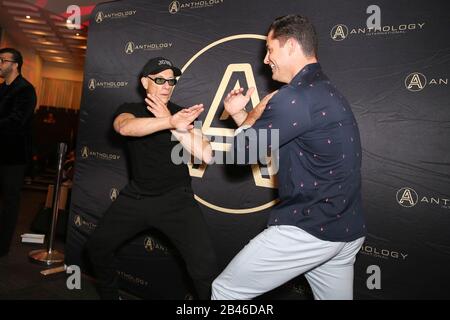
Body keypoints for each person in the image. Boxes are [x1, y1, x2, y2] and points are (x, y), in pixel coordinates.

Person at [211, 14, 366, 300]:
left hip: (311, 228)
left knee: (225, 292)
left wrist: (255, 111)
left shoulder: (294, 97)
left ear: (291, 46)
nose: (266, 60)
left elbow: (239, 154)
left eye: (270, 50)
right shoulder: (325, 90)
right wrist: (238, 115)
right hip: (345, 230)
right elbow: (268, 137)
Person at [85, 57, 219, 299]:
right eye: (160, 79)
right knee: (97, 248)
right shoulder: (130, 109)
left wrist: (176, 125)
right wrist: (168, 121)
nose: (167, 85)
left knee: (204, 265)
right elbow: (125, 128)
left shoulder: (182, 114)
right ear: (145, 82)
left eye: (171, 81)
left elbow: (206, 155)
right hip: (136, 198)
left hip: (176, 199)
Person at [0, 48, 37, 257]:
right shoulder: (1, 89)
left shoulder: (25, 90)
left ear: (15, 64)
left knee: (9, 203)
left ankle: (2, 246)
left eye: (2, 60)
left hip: (13, 157)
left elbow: (16, 121)